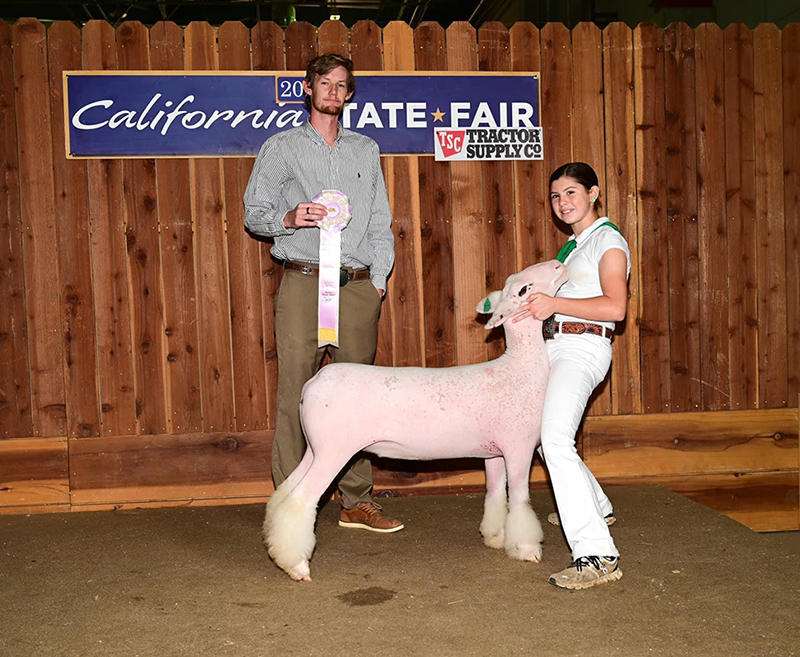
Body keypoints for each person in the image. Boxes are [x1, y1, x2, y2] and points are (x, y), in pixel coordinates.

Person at [243, 53, 403, 533]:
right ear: (307, 88)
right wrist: (290, 218)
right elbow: (255, 213)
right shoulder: (281, 148)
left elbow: (379, 220)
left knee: (356, 396)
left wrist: (378, 281)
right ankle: (292, 503)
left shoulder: (366, 149)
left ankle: (356, 501)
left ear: (349, 94)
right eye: (325, 83)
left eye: (341, 85)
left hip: (357, 285)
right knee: (296, 392)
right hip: (302, 281)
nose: (333, 91)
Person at [513, 162, 630, 589]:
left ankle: (598, 554)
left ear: (593, 193)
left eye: (571, 193)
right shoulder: (574, 246)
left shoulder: (608, 241)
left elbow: (616, 308)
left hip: (583, 346)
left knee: (555, 439)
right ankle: (597, 505)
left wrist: (555, 305)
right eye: (555, 196)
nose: (562, 202)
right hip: (558, 345)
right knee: (543, 435)